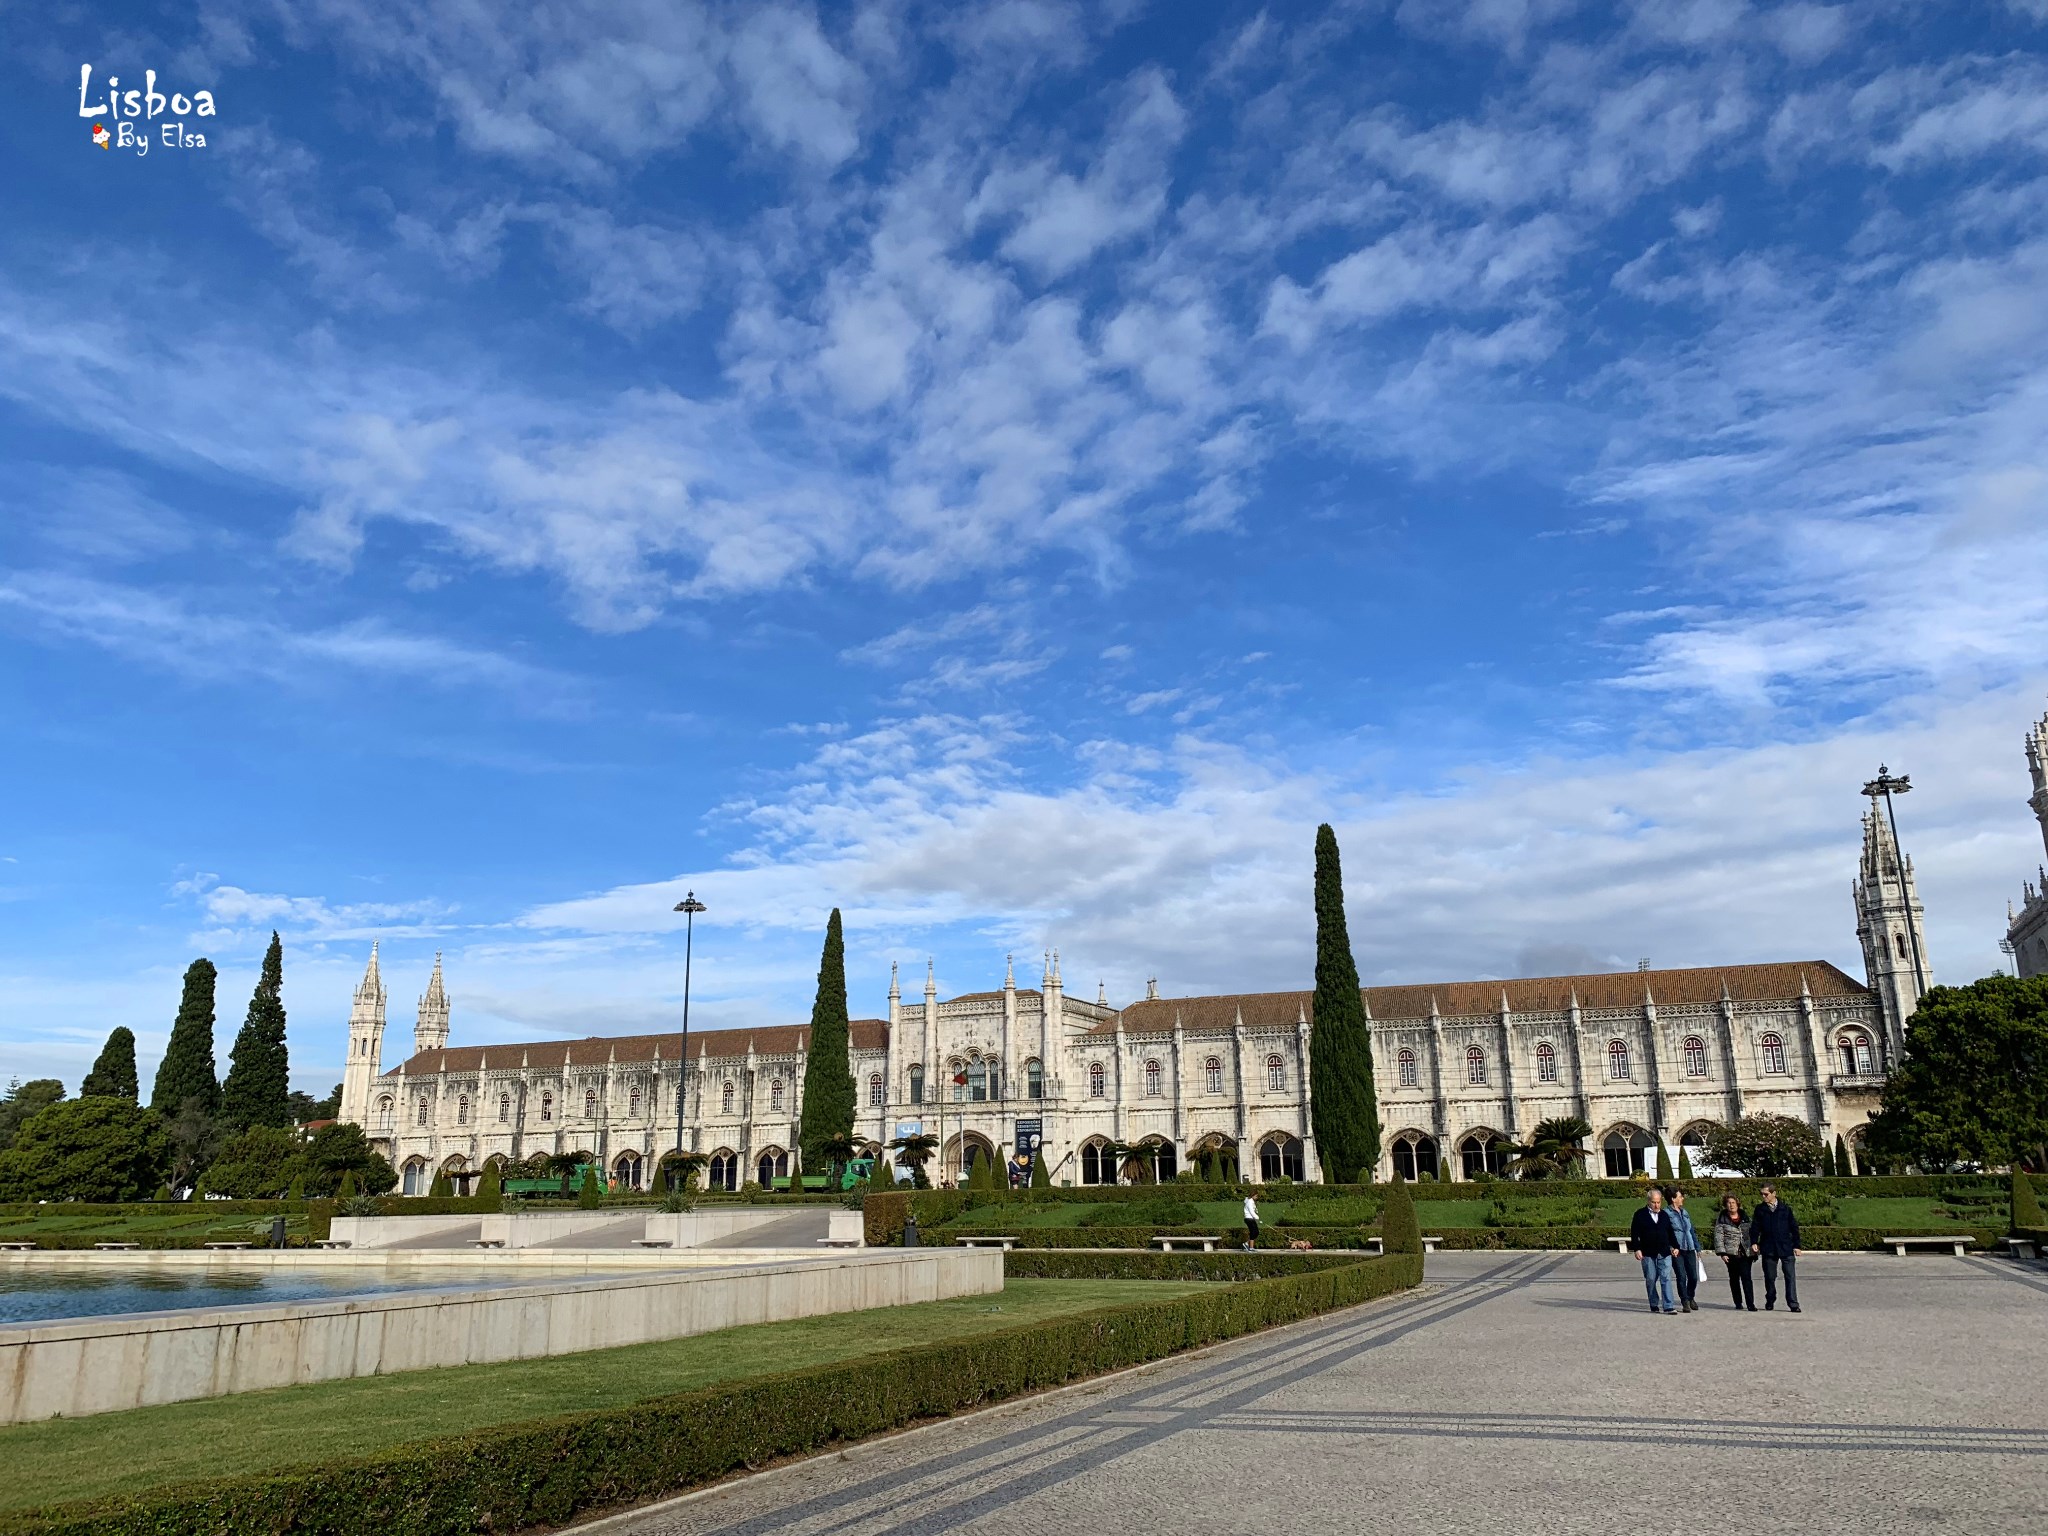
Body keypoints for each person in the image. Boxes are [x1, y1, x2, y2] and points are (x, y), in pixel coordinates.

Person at [1628, 1186, 1681, 1315]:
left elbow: (1670, 1232)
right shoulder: (1640, 1214)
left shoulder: (1664, 1215)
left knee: (1666, 1278)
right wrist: (1637, 1249)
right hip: (1647, 1252)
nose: (1657, 1205)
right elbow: (1634, 1233)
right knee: (1651, 1279)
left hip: (1664, 1252)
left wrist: (1675, 1246)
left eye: (1658, 1202)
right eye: (1654, 1202)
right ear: (1648, 1201)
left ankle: (1668, 1306)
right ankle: (1653, 1303)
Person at [1750, 1182, 1802, 1312]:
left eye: (1766, 1194)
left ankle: (1793, 1303)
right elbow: (1755, 1227)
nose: (1763, 1196)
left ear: (1774, 1193)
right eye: (1761, 1194)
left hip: (1786, 1247)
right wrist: (1754, 1242)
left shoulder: (1785, 1209)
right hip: (1768, 1247)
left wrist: (1797, 1245)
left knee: (1790, 1276)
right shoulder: (1760, 1209)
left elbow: (1794, 1228)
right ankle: (1770, 1298)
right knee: (1770, 1276)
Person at [1713, 1194, 1756, 1311]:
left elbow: (1752, 1234)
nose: (1731, 1205)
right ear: (1725, 1205)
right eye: (1729, 1203)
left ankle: (1750, 1303)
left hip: (1745, 1253)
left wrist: (1754, 1248)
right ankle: (1738, 1302)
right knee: (1734, 1279)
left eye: (1733, 1202)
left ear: (1737, 1204)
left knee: (1747, 1278)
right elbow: (1718, 1237)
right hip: (1731, 1253)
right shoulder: (1722, 1219)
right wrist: (1722, 1253)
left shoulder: (1745, 1217)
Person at [1667, 1188, 1702, 1313]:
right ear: (1673, 1198)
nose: (1682, 1198)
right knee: (1681, 1276)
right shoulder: (1667, 1213)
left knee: (1693, 1276)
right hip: (1677, 1249)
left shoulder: (1684, 1212)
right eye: (1680, 1196)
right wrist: (1671, 1247)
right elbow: (1667, 1233)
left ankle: (1690, 1296)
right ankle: (1685, 1301)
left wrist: (1697, 1247)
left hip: (1689, 1247)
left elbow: (1691, 1230)